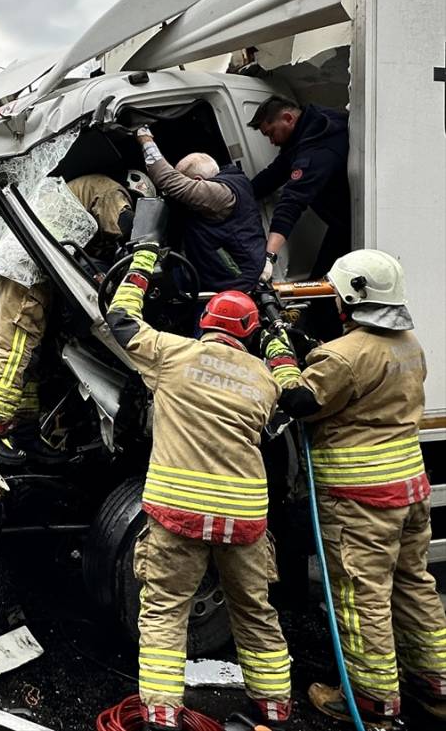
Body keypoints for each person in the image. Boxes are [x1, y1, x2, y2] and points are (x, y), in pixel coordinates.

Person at [106, 225, 292, 729]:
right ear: (249, 334)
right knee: (254, 611)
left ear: (203, 321)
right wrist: (276, 340)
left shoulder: (173, 355)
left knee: (165, 612)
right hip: (244, 525)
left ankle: (163, 714)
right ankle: (274, 708)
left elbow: (120, 320)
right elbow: (294, 390)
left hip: (177, 517)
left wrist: (142, 261)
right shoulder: (266, 380)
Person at [263, 249, 445, 726]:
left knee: (360, 597)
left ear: (350, 296)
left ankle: (370, 700)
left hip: (361, 500)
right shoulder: (408, 343)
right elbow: (363, 375)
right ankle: (436, 684)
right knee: (413, 586)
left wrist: (280, 350)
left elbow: (299, 399)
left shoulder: (342, 357)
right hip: (409, 488)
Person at [0, 172, 143, 465]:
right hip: (28, 269)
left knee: (30, 357)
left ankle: (24, 431)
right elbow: (128, 229)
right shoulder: (112, 190)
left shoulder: (81, 188)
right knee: (15, 351)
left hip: (15, 264)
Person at [137, 127, 266, 292]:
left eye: (183, 179)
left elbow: (166, 178)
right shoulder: (230, 180)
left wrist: (145, 138)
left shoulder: (219, 193)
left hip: (236, 284)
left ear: (198, 181)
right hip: (220, 278)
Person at [248, 96, 350, 281]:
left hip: (353, 225)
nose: (272, 141)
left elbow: (292, 202)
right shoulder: (303, 134)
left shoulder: (320, 143)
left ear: (288, 118)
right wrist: (238, 192)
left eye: (271, 133)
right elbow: (275, 173)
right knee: (323, 285)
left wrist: (269, 257)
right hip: (341, 224)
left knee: (327, 287)